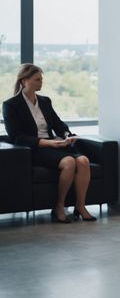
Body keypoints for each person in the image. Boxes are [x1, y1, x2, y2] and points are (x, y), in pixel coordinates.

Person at [3, 64, 95, 223]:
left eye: (41, 79)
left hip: (56, 144)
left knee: (84, 161)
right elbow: (17, 137)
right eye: (37, 79)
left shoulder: (45, 101)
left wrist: (67, 135)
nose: (41, 82)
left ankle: (80, 206)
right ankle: (59, 206)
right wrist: (47, 143)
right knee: (69, 162)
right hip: (37, 148)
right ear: (24, 81)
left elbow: (59, 125)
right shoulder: (11, 105)